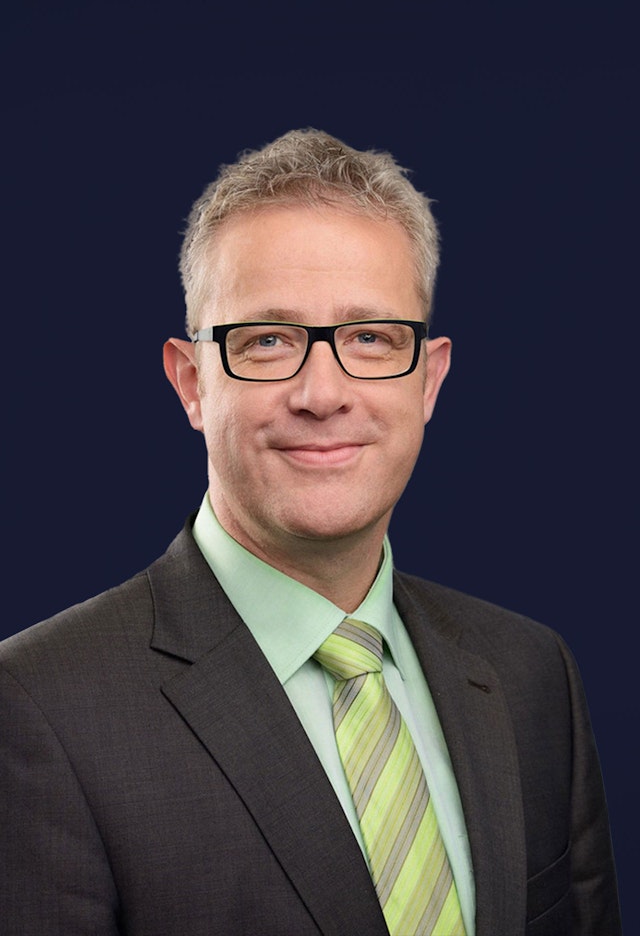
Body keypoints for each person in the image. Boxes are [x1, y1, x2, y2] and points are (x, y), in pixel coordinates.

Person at [0, 129, 621, 936]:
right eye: (267, 341)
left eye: (370, 338)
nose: (322, 392)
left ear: (428, 380)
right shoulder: (36, 708)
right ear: (192, 384)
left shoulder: (531, 674)